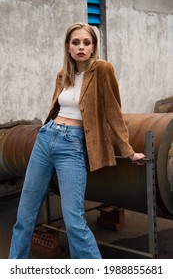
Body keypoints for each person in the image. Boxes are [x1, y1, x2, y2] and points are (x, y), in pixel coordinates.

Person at [9, 22, 145, 259]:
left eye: (86, 42)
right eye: (75, 42)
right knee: (24, 216)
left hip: (72, 146)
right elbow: (56, 108)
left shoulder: (103, 70)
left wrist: (128, 150)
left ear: (93, 47)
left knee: (74, 222)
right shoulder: (62, 75)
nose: (81, 47)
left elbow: (114, 112)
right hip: (46, 139)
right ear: (68, 47)